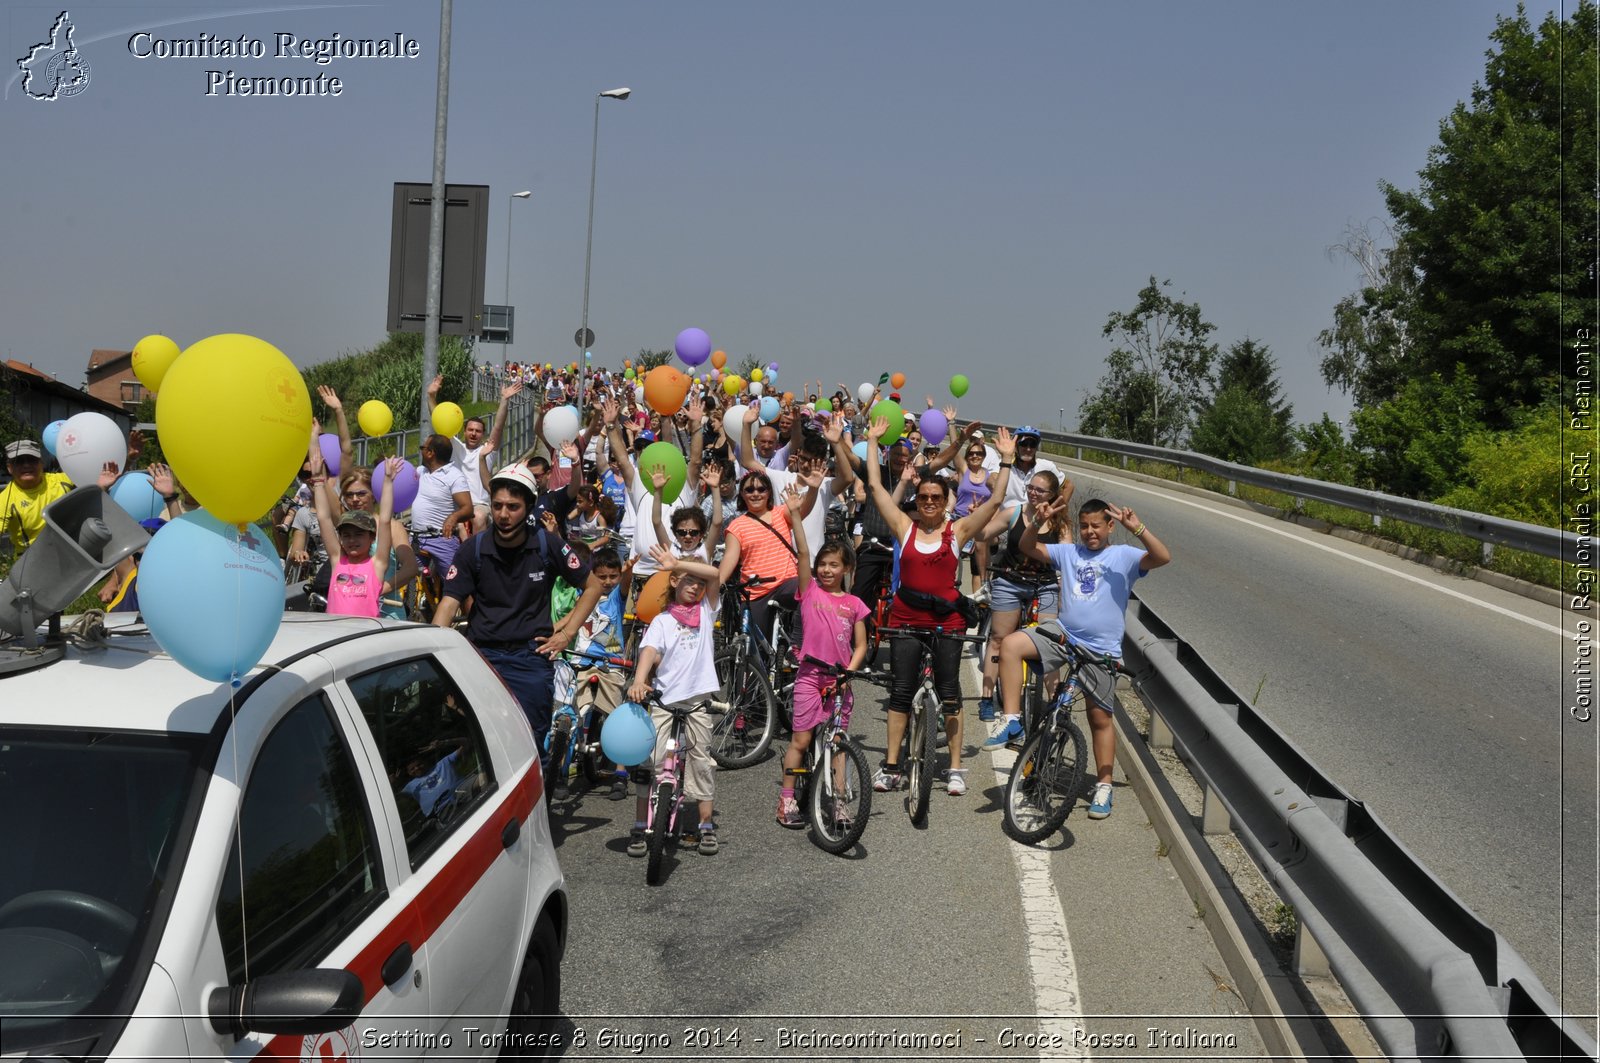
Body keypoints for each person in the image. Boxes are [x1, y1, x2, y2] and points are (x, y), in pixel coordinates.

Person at [862, 418, 1014, 797]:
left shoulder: (957, 531)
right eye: (924, 497)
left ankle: (956, 767)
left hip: (946, 620)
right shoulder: (904, 527)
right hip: (906, 619)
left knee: (949, 691)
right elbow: (877, 487)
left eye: (936, 497)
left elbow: (996, 501)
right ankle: (892, 765)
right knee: (900, 691)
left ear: (946, 500)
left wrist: (1007, 462)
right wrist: (871, 441)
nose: (929, 502)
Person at [996, 497, 1170, 819]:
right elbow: (1027, 546)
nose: (1090, 532)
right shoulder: (1070, 552)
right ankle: (1012, 721)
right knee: (1010, 646)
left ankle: (1103, 787)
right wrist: (1036, 522)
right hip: (1063, 636)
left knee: (1099, 718)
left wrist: (1140, 529)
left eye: (1097, 526)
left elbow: (1162, 557)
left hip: (1101, 651)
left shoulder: (1123, 556)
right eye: (1085, 526)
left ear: (1110, 527)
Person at [432, 463, 605, 748]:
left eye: (513, 506)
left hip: (530, 660)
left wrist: (566, 633)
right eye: (497, 505)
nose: (503, 514)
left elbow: (593, 586)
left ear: (528, 507)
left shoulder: (548, 545)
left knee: (531, 743)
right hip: (482, 657)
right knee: (482, 743)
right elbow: (448, 605)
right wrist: (433, 652)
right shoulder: (471, 550)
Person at [775, 487, 869, 828]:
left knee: (839, 744)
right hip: (810, 677)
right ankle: (786, 800)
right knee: (801, 739)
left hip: (839, 681)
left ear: (846, 568)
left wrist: (850, 672)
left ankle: (839, 804)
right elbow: (802, 551)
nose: (827, 570)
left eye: (834, 565)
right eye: (822, 565)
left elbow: (860, 645)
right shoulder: (810, 590)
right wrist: (796, 515)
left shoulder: (855, 604)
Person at [626, 546, 725, 857]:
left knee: (701, 761)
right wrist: (641, 680)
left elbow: (716, 574)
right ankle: (641, 824)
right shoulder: (662, 621)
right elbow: (650, 651)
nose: (695, 586)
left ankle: (705, 825)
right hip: (665, 699)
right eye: (687, 581)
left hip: (697, 700)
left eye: (698, 582)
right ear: (673, 583)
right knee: (650, 761)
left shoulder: (707, 611)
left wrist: (678, 563)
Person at [974, 469, 1072, 726]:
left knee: (1050, 642)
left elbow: (1069, 557)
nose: (1033, 493)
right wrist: (978, 517)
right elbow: (982, 534)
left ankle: (1055, 702)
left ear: (1053, 495)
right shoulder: (1015, 512)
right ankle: (986, 696)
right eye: (1030, 487)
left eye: (1040, 490)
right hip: (1010, 581)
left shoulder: (1060, 523)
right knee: (998, 639)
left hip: (1045, 585)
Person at [427, 374, 524, 533]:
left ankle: (476, 554)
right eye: (470, 430)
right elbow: (439, 420)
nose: (473, 434)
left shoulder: (486, 451)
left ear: (483, 434)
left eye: (478, 431)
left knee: (478, 517)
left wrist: (504, 400)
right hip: (457, 503)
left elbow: (498, 427)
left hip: (480, 505)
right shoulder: (456, 447)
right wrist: (431, 396)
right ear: (463, 431)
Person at [311, 456, 400, 618]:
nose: (352, 540)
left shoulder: (377, 564)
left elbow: (385, 520)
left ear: (372, 537)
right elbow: (323, 518)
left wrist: (387, 481)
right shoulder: (337, 559)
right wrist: (318, 481)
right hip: (335, 633)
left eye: (359, 535)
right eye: (346, 535)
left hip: (363, 636)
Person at [412, 433, 474, 593]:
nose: (421, 451)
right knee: (407, 576)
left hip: (442, 539)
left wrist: (453, 518)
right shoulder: (420, 471)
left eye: (422, 448)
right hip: (416, 538)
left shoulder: (454, 476)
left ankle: (470, 616)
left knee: (457, 585)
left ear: (431, 453)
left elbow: (468, 508)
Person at [0, 440, 73, 554]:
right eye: (19, 461)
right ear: (9, 468)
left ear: (41, 463)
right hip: (31, 559)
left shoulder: (63, 480)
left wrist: (102, 485)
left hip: (70, 551)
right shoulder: (4, 499)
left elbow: (93, 489)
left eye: (32, 459)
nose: (26, 465)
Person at [996, 426, 1061, 507]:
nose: (1028, 449)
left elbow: (1068, 487)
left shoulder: (1047, 466)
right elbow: (991, 481)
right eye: (1024, 444)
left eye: (1032, 445)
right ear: (1015, 446)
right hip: (1007, 517)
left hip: (1034, 517)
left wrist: (1056, 512)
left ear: (1037, 447)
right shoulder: (1004, 465)